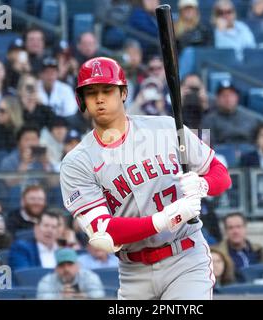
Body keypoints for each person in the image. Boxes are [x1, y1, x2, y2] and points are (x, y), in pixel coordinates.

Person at [60, 57, 232, 300]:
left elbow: (221, 174)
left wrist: (204, 184)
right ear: (82, 100)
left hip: (185, 256)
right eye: (91, 92)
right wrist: (164, 219)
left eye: (107, 90)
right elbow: (104, 233)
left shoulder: (164, 128)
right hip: (133, 270)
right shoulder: (77, 161)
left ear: (123, 92)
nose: (99, 98)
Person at [215, 212, 263, 281]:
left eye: (239, 227)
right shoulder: (217, 255)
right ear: (225, 231)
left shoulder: (261, 251)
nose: (235, 231)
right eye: (230, 228)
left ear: (245, 228)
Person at [202, 80, 258, 145]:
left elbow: (256, 144)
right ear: (217, 99)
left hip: (247, 153)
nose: (228, 99)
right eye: (224, 96)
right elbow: (205, 146)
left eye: (231, 95)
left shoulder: (250, 118)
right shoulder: (208, 120)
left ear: (237, 97)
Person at [37, 248, 105, 299]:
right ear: (56, 268)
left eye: (70, 264)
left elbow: (100, 295)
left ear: (78, 266)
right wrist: (61, 297)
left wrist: (85, 297)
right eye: (61, 265)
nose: (66, 269)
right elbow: (41, 297)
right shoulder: (47, 280)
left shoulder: (89, 276)